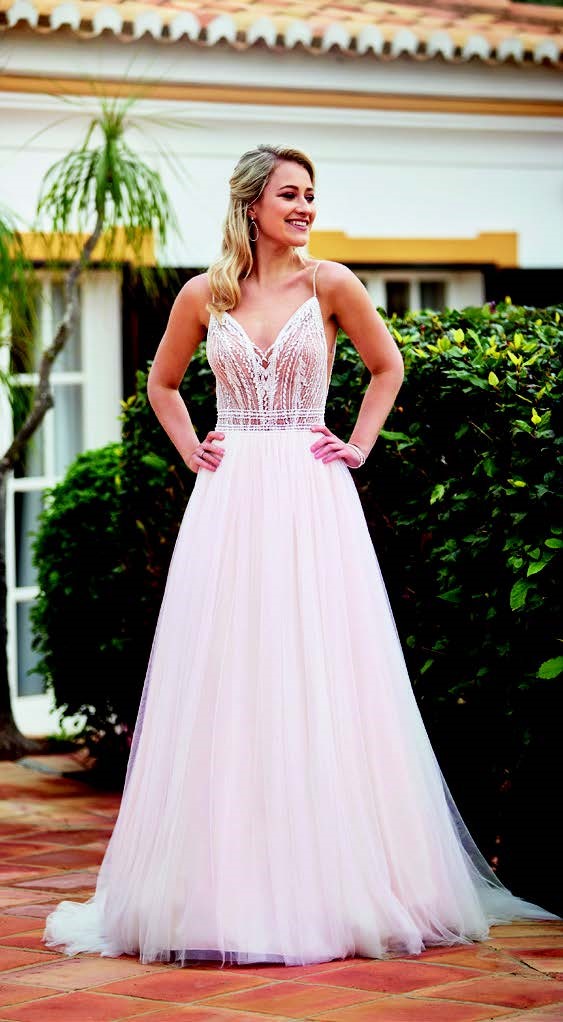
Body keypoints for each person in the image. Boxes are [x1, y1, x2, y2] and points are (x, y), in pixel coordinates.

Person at [42, 143, 560, 968]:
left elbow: (387, 367)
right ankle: (226, 886)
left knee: (318, 670)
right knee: (230, 677)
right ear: (252, 204)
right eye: (289, 194)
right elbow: (162, 384)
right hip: (229, 500)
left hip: (311, 497)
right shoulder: (202, 294)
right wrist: (191, 448)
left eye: (310, 194)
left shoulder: (331, 284)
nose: (304, 207)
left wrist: (357, 444)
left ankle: (334, 881)